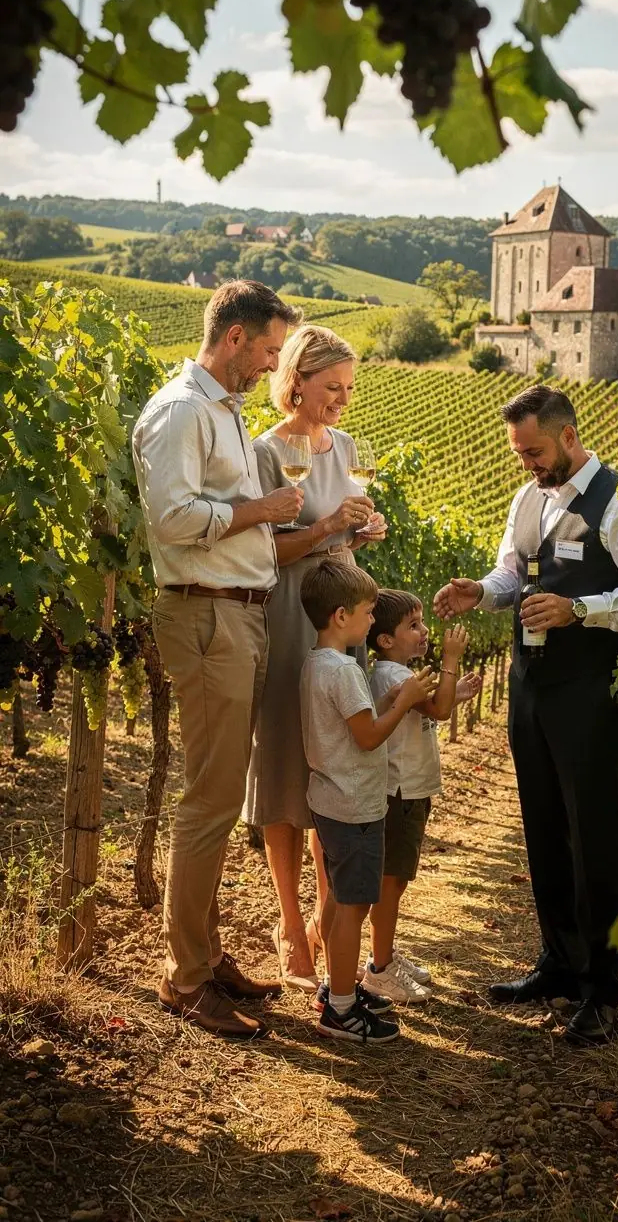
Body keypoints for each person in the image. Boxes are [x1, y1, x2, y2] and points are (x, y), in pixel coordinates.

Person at [434, 384, 618, 1046]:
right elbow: (515, 575)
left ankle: (602, 986)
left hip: (590, 688)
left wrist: (580, 610)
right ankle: (560, 963)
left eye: (532, 451)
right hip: (531, 684)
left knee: (593, 834)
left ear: (567, 436)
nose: (525, 465)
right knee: (542, 825)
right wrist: (482, 590)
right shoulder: (527, 498)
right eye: (517, 454)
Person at [132, 281, 304, 1039]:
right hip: (205, 614)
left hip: (237, 614)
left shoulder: (223, 413)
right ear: (234, 338)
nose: (273, 366)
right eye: (269, 350)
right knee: (208, 799)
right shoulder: (180, 412)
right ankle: (186, 978)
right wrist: (263, 512)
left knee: (222, 793)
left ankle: (205, 954)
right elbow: (170, 522)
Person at [243, 325, 387, 991]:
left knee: (330, 764)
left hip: (337, 626)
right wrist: (328, 529)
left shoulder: (348, 447)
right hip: (286, 620)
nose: (342, 400)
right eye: (333, 387)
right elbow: (263, 552)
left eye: (349, 389)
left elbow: (346, 539)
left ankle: (329, 921)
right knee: (282, 767)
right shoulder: (266, 453)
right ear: (296, 380)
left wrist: (363, 529)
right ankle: (289, 925)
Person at [299, 560, 435, 1043]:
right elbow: (369, 737)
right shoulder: (345, 672)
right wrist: (404, 701)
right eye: (367, 611)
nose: (371, 620)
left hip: (328, 797)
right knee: (354, 907)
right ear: (341, 617)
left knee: (340, 898)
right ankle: (341, 1008)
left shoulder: (316, 663)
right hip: (354, 804)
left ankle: (334, 989)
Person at [365, 592, 482, 1003]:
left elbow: (435, 705)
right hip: (399, 792)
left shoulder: (399, 674)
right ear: (385, 641)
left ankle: (385, 955)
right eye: (412, 625)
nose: (424, 631)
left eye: (421, 623)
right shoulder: (392, 676)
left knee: (395, 881)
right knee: (390, 882)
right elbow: (439, 711)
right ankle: (379, 968)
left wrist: (457, 692)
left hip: (410, 790)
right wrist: (451, 659)